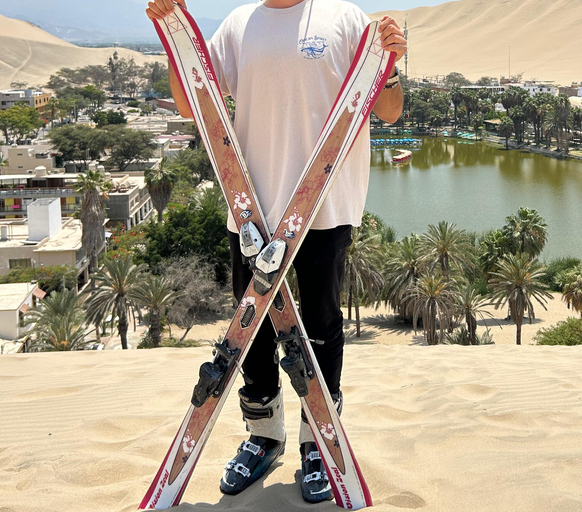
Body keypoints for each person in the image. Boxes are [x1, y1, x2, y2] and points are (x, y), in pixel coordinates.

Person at [146, 0, 406, 504]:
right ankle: (264, 437)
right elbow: (188, 103)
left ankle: (318, 444)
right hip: (250, 216)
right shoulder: (239, 24)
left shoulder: (347, 19)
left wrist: (392, 66)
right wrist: (174, 39)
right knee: (252, 332)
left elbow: (388, 110)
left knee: (323, 326)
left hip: (324, 210)